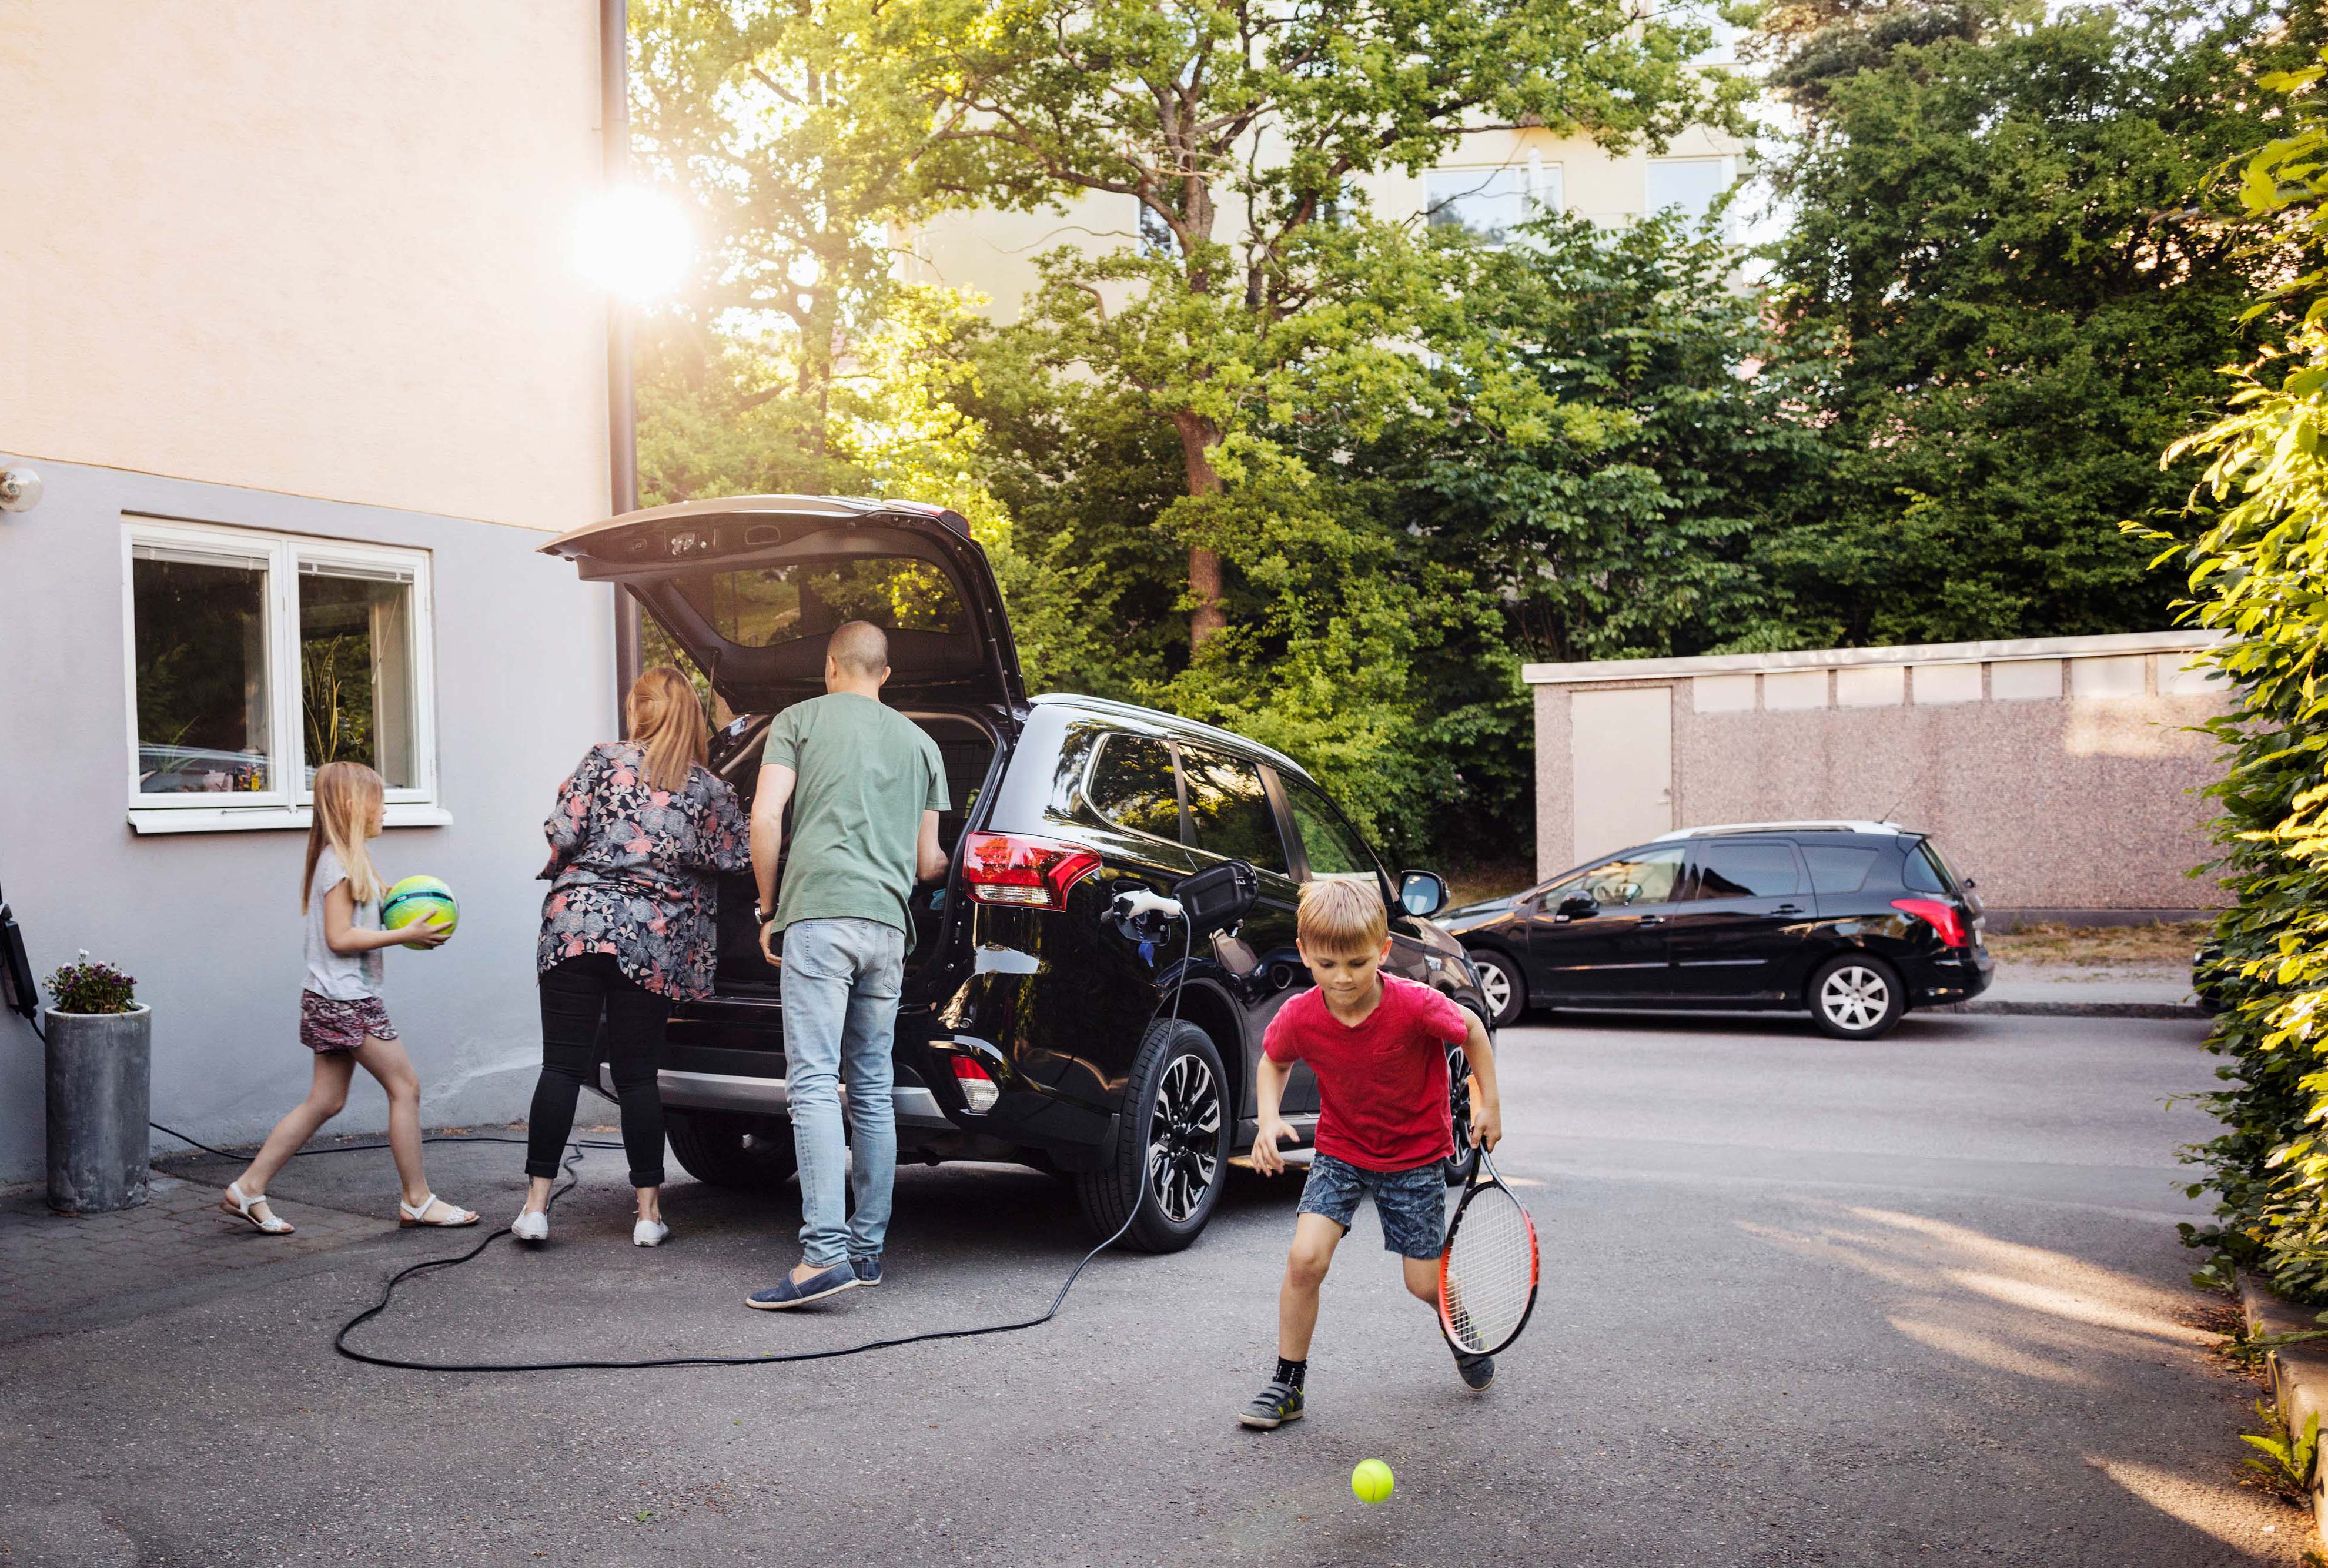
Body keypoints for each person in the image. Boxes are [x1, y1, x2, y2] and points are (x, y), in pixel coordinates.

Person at [1236, 876, 1504, 1430]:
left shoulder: (1414, 1005)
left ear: (1383, 952)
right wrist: (1267, 1120)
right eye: (1329, 963)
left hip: (1414, 1155)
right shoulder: (1301, 1014)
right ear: (1306, 952)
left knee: (1422, 1283)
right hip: (1341, 1150)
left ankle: (1458, 1326)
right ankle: (1288, 1383)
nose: (1343, 978)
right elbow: (1273, 1061)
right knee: (1305, 1258)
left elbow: (1473, 1030)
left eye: (1357, 963)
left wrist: (1488, 1102)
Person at [744, 620, 949, 1310]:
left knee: (811, 1083)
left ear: (831, 667)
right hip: (888, 931)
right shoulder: (923, 746)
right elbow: (929, 863)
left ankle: (823, 1256)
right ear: (883, 674)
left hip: (820, 917)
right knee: (870, 1089)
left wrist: (769, 906)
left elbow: (766, 817)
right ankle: (865, 1252)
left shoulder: (799, 720)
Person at [519, 667, 749, 1247]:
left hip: (576, 925)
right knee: (638, 1077)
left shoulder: (601, 760)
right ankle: (648, 1215)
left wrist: (571, 868)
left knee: (562, 1068)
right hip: (648, 936)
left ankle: (535, 1210)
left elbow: (561, 834)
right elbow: (737, 860)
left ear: (638, 711)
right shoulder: (709, 789)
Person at [219, 761, 477, 1235]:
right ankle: (417, 1199)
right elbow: (340, 936)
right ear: (354, 805)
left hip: (328, 997)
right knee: (406, 1087)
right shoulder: (337, 863)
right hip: (346, 1001)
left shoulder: (345, 859)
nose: (386, 809)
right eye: (379, 800)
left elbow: (378, 911)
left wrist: (409, 912)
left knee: (325, 1100)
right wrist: (405, 935)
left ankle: (248, 1187)